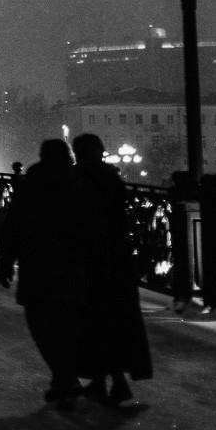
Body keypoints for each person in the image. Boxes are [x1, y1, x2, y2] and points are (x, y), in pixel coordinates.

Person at [0, 138, 94, 410]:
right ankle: (65, 377)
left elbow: (13, 226)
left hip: (37, 264)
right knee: (68, 324)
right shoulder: (78, 184)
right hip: (70, 266)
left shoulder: (31, 185)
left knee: (41, 324)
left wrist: (4, 262)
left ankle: (62, 377)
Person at [73, 132, 153, 405]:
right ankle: (110, 381)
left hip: (90, 259)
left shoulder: (78, 178)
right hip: (115, 259)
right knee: (114, 319)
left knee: (94, 320)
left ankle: (109, 381)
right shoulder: (111, 178)